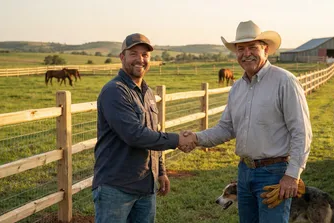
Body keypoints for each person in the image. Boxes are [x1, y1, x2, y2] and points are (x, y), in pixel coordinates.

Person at [182, 21, 312, 223]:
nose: (246, 53)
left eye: (253, 47)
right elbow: (226, 128)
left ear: (266, 50)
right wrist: (196, 138)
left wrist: (292, 175)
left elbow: (301, 131)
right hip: (244, 172)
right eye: (241, 49)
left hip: (274, 173)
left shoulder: (284, 81)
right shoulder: (237, 88)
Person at [92, 33, 195, 223]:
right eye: (134, 53)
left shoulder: (147, 93)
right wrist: (178, 140)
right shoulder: (115, 91)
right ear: (122, 57)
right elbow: (134, 135)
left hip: (146, 186)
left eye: (145, 54)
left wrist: (161, 171)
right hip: (116, 188)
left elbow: (152, 132)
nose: (140, 59)